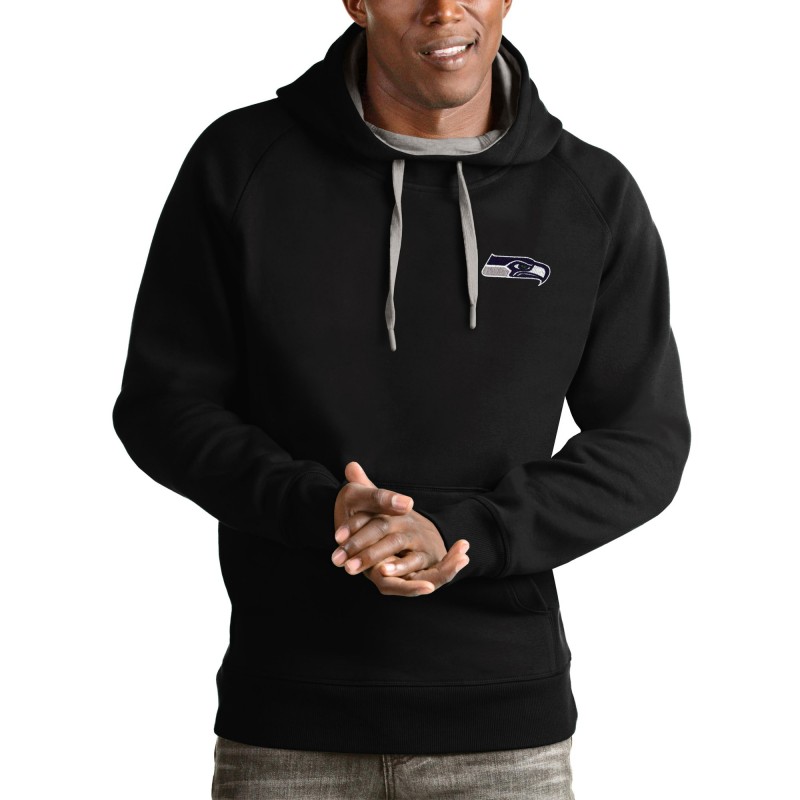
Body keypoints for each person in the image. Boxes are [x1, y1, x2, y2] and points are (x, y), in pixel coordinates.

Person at [112, 0, 691, 797]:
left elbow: (644, 442)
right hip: (289, 723)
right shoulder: (243, 163)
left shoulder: (589, 194)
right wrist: (323, 510)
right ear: (357, 2)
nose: (443, 8)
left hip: (503, 737)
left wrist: (462, 534)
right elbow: (164, 403)